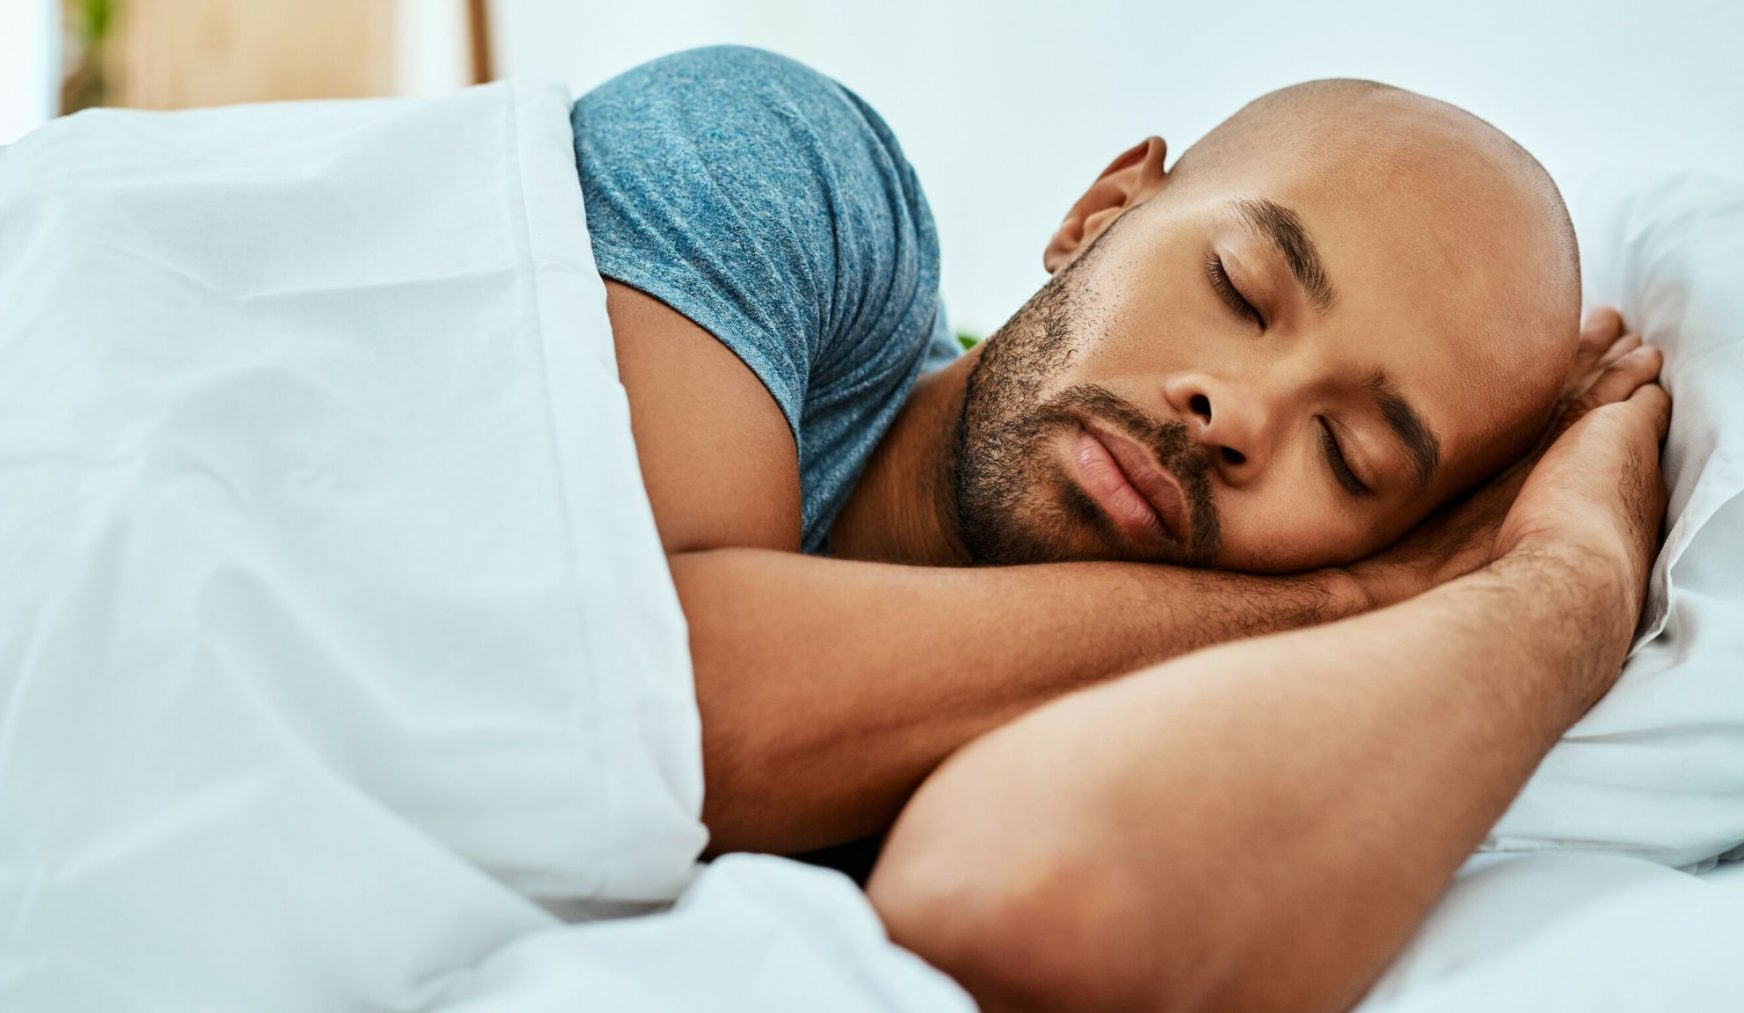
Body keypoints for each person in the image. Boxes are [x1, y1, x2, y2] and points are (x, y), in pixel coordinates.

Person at [576, 45, 1670, 1006]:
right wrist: (1346, 598)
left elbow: (1035, 912)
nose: (1236, 413)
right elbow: (653, 706)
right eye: (1241, 288)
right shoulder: (780, 166)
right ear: (1100, 211)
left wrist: (1572, 580)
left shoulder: (1140, 707)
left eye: (1351, 456)